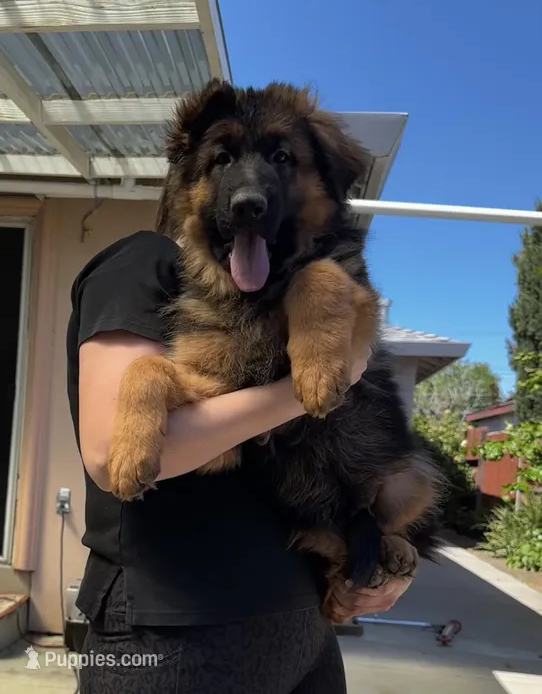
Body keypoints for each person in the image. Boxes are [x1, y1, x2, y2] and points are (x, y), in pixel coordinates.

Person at [67, 229, 412, 693]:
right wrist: (306, 392)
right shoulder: (142, 260)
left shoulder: (275, 287)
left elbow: (302, 450)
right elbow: (113, 454)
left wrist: (378, 559)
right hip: (175, 630)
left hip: (306, 632)